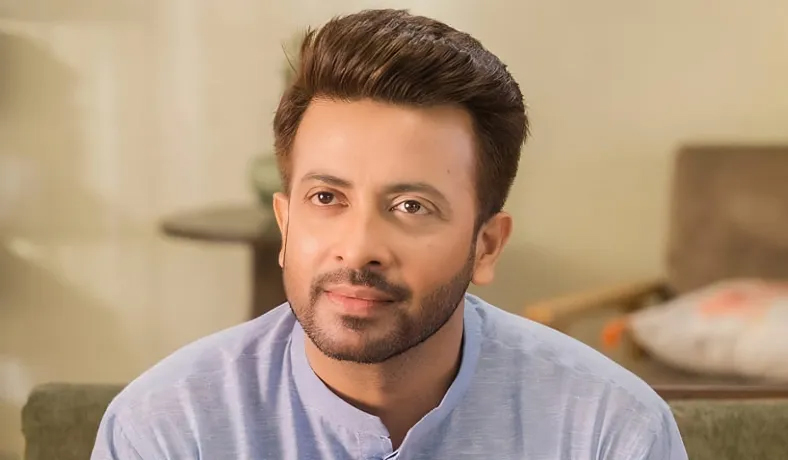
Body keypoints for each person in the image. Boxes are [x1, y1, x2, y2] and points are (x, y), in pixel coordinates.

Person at [91, 9, 687, 460]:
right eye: (327, 198)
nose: (359, 249)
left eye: (411, 206)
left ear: (486, 246)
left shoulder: (610, 431)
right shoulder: (168, 430)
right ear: (285, 223)